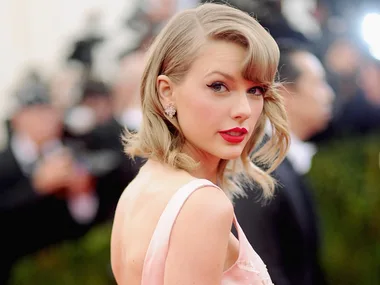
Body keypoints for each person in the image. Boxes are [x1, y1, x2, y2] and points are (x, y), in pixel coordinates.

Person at [111, 3, 290, 284]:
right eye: (219, 86)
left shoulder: (137, 190)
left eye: (255, 90)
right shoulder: (203, 204)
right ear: (167, 92)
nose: (243, 109)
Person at [234, 41, 334, 285]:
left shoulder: (281, 159)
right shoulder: (257, 166)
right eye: (318, 82)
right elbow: (260, 268)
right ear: (284, 94)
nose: (329, 94)